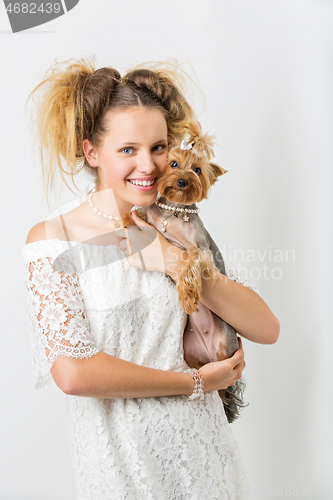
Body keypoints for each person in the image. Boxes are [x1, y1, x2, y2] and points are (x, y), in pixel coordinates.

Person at [21, 58, 280, 500]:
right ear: (91, 152)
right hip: (120, 464)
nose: (149, 165)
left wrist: (175, 262)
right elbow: (73, 372)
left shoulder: (175, 224)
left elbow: (266, 328)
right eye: (128, 150)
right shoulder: (52, 239)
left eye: (158, 147)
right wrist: (198, 383)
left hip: (203, 453)